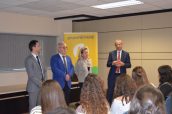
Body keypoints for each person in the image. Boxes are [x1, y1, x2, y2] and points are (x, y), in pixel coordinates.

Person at [107, 39, 131, 105]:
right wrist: (113, 63)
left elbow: (129, 65)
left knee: (122, 90)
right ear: (115, 45)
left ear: (122, 44)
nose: (118, 46)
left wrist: (123, 64)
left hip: (122, 75)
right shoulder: (111, 53)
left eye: (119, 44)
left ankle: (122, 104)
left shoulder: (126, 54)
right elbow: (108, 64)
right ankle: (109, 105)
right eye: (117, 44)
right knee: (110, 90)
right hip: (112, 75)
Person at [25, 40, 47, 111]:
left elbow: (45, 71)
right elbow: (31, 76)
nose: (40, 47)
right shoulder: (28, 59)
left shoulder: (41, 57)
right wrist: (41, 84)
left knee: (39, 107)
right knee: (33, 107)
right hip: (33, 87)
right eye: (38, 46)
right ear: (33, 47)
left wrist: (45, 81)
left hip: (42, 86)